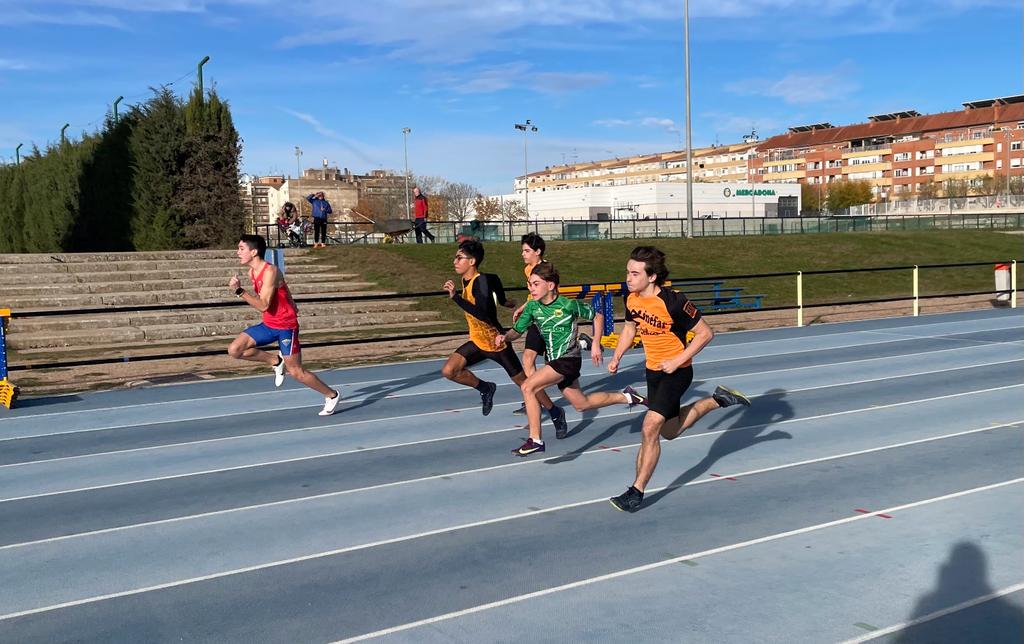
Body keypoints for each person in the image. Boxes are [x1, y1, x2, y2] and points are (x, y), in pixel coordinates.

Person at [606, 246, 751, 512]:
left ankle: (636, 491)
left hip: (677, 372)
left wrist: (677, 360)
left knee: (649, 427)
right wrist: (617, 356)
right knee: (669, 432)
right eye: (627, 272)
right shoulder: (632, 299)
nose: (628, 278)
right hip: (653, 370)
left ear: (652, 277)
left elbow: (706, 333)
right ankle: (718, 400)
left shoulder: (674, 301)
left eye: (634, 273)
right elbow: (629, 329)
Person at [496, 262, 644, 456]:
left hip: (568, 360)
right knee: (582, 404)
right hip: (553, 361)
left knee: (528, 386)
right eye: (529, 284)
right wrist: (505, 337)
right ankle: (627, 396)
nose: (531, 288)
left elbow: (597, 315)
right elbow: (517, 331)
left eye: (535, 284)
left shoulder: (568, 305)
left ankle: (536, 440)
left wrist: (596, 342)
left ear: (550, 286)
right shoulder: (532, 307)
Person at [441, 239, 565, 434]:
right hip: (477, 341)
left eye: (459, 257)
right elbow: (495, 278)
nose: (455, 261)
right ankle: (485, 388)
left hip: (496, 342)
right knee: (449, 370)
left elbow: (483, 314)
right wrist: (505, 301)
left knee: (525, 383)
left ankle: (554, 410)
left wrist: (456, 298)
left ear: (472, 261)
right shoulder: (473, 279)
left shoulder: (479, 281)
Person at [227, 234, 341, 416]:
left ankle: (331, 395)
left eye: (241, 249)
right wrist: (291, 301)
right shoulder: (252, 272)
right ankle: (275, 360)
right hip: (268, 324)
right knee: (235, 350)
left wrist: (239, 291)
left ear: (254, 252)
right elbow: (282, 284)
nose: (237, 252)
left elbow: (263, 304)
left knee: (296, 372)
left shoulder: (269, 271)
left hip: (286, 327)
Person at [510, 233, 550, 415]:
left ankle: (582, 343)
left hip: (548, 320)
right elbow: (533, 295)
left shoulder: (547, 270)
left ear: (538, 251)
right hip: (535, 318)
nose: (523, 254)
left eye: (527, 251)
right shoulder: (528, 270)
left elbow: (544, 296)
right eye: (522, 251)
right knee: (528, 360)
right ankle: (533, 398)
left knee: (568, 380)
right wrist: (523, 308)